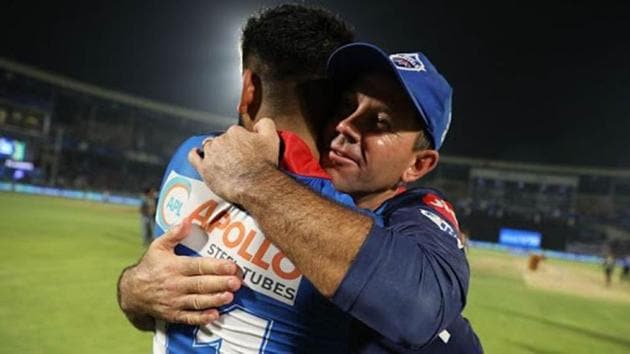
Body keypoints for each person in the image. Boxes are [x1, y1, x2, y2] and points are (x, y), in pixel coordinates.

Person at [118, 6, 481, 353]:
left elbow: (416, 307)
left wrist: (254, 181)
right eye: (344, 105)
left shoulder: (412, 216)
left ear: (418, 166)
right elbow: (189, 294)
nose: (347, 126)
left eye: (380, 123)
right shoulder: (236, 166)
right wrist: (135, 289)